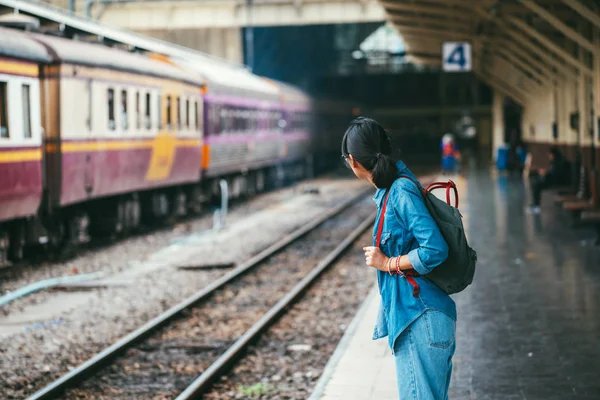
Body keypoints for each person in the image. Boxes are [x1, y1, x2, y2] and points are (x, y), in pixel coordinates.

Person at [341, 117, 456, 399]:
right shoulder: (390, 190)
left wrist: (387, 263)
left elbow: (435, 249)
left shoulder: (401, 191)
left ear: (353, 161)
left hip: (421, 317)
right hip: (417, 316)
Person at [527, 146, 571, 214]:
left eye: (550, 155)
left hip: (556, 182)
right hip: (554, 179)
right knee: (536, 182)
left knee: (537, 184)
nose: (549, 157)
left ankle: (536, 206)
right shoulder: (557, 161)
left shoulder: (558, 162)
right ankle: (535, 204)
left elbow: (555, 174)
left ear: (553, 154)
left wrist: (545, 173)